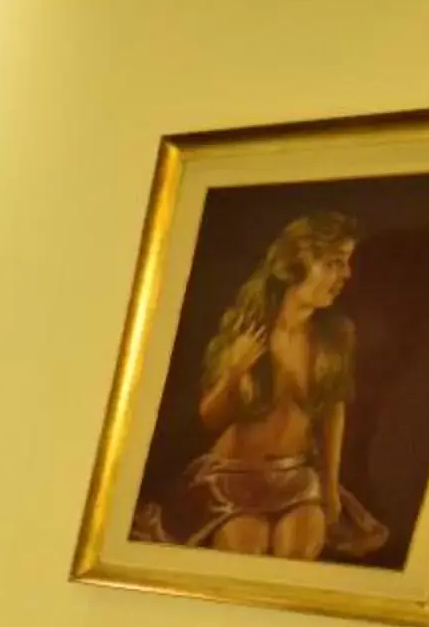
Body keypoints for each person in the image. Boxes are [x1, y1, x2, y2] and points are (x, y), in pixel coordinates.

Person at [134, 211, 390, 560]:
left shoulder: (335, 335)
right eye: (334, 263)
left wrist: (330, 487)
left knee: (297, 557)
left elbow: (333, 411)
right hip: (232, 481)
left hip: (296, 478)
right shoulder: (248, 330)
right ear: (299, 263)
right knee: (246, 552)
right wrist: (235, 372)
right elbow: (210, 419)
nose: (346, 274)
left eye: (346, 263)